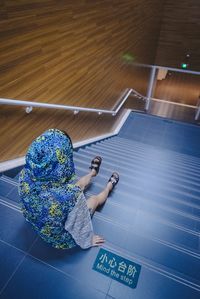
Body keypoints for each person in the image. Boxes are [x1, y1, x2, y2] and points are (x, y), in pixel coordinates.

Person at [18, 129, 119, 249]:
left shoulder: (24, 175)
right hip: (60, 238)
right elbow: (80, 225)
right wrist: (88, 239)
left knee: (77, 187)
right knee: (93, 199)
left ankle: (93, 172)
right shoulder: (69, 196)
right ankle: (109, 186)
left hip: (38, 224)